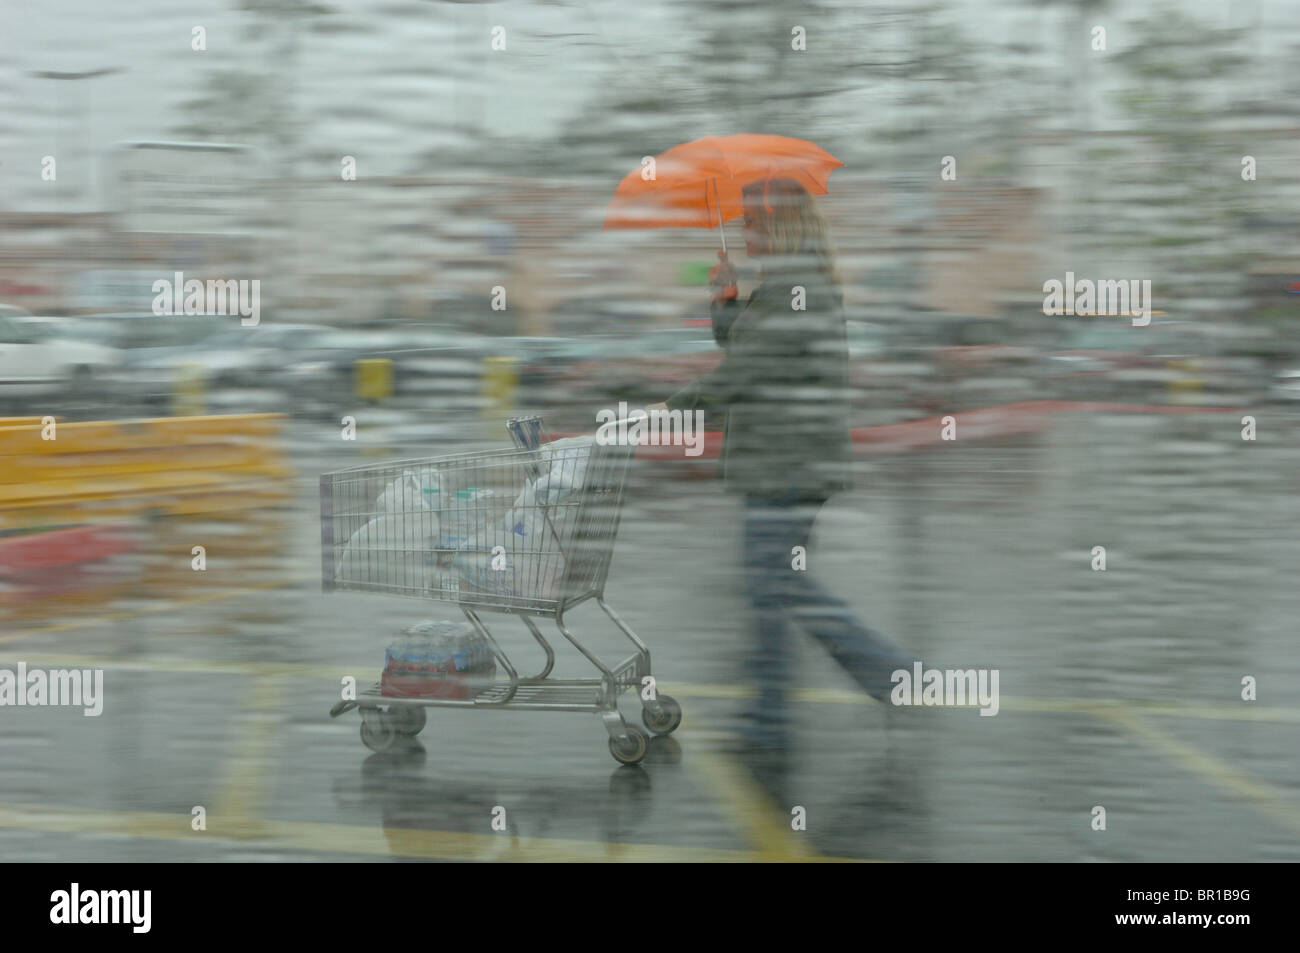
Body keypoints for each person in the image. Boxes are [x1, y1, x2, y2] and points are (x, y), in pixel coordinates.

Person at [650, 177, 918, 757]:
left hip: (787, 463)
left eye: (752, 220)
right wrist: (725, 301)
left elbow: (744, 375)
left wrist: (667, 412)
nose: (745, 230)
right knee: (778, 586)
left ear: (779, 224)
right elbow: (748, 354)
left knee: (771, 585)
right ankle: (879, 681)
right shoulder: (791, 285)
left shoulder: (799, 287)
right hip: (785, 460)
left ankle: (779, 717)